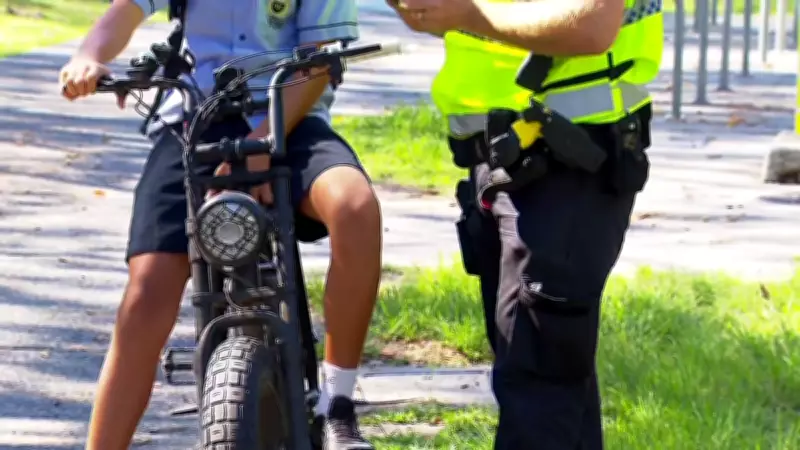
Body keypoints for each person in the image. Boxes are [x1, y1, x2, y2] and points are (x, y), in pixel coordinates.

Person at [59, 1, 380, 449]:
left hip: (291, 115)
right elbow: (127, 10)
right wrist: (89, 55)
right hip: (196, 120)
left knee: (355, 207)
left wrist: (261, 140)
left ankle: (337, 405)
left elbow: (318, 61)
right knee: (146, 292)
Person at [389, 0, 663, 448]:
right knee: (546, 375)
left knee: (539, 380)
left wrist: (466, 15)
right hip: (503, 157)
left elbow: (592, 26)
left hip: (573, 157)